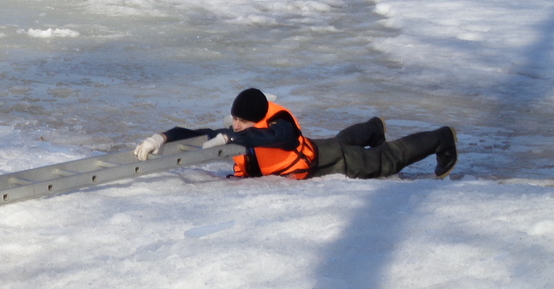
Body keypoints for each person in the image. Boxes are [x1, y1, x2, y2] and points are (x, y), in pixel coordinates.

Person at [133, 88, 458, 180]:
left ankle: (441, 137)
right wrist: (161, 137)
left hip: (330, 161)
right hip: (318, 149)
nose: (235, 128)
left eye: (242, 123)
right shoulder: (240, 129)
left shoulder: (281, 127)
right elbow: (197, 132)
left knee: (385, 161)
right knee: (339, 138)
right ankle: (373, 127)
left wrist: (236, 139)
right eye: (234, 121)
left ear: (257, 119)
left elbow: (282, 141)